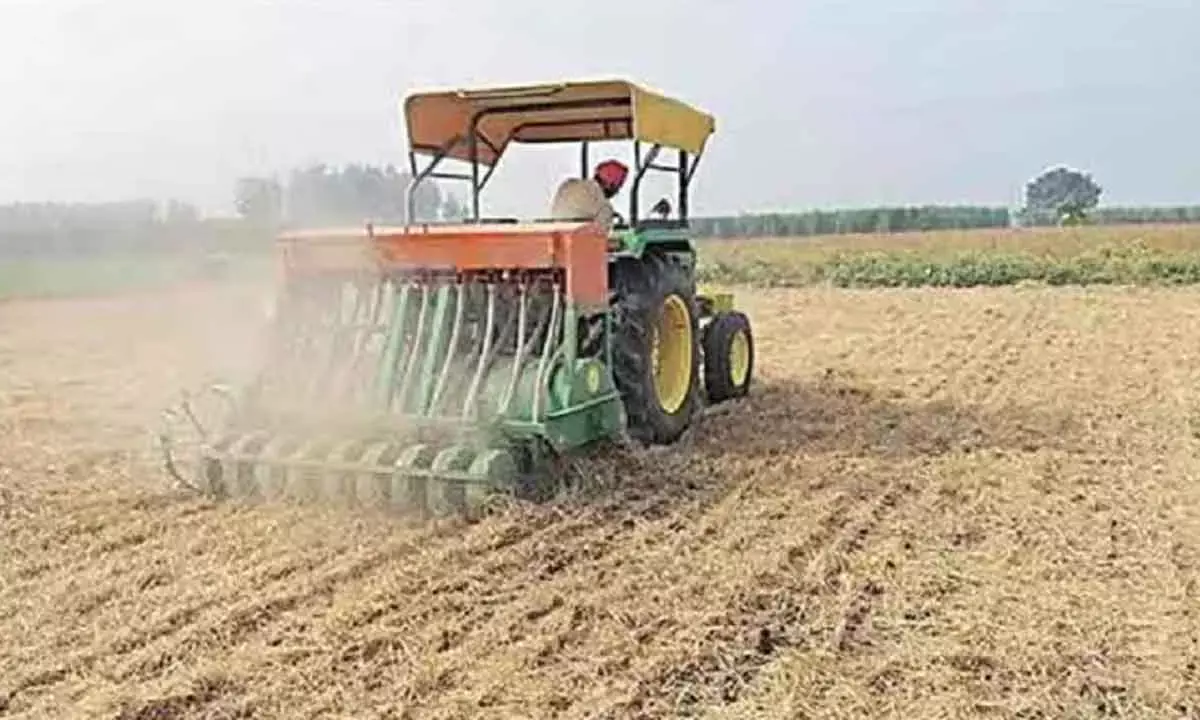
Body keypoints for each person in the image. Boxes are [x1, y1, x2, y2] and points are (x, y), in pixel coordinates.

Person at [549, 159, 629, 229]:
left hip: (552, 240)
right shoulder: (604, 208)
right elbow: (601, 239)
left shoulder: (567, 185)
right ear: (610, 185)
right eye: (617, 188)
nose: (617, 192)